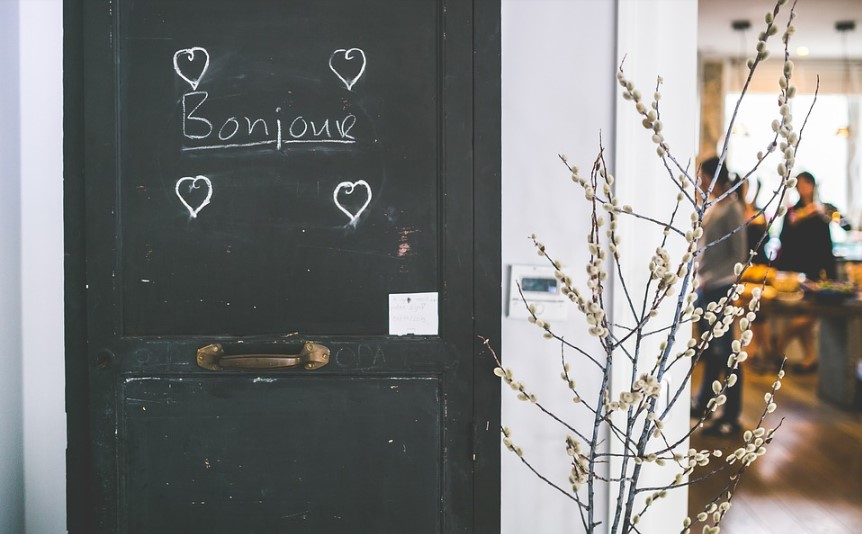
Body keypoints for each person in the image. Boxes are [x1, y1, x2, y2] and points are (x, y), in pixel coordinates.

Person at [692, 157, 748, 437]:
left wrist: (710, 277)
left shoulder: (733, 208)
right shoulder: (716, 204)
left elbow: (739, 256)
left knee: (727, 353)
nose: (700, 180)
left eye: (702, 175)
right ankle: (704, 400)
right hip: (707, 286)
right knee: (710, 350)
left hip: (721, 287)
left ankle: (731, 415)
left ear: (714, 176)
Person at [774, 171, 836, 373]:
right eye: (799, 184)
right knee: (804, 312)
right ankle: (810, 357)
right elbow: (784, 239)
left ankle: (782, 341)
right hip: (796, 270)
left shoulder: (821, 211)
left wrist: (830, 272)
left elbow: (828, 243)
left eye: (805, 183)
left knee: (811, 313)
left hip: (814, 268)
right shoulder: (793, 212)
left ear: (812, 185)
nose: (802, 187)